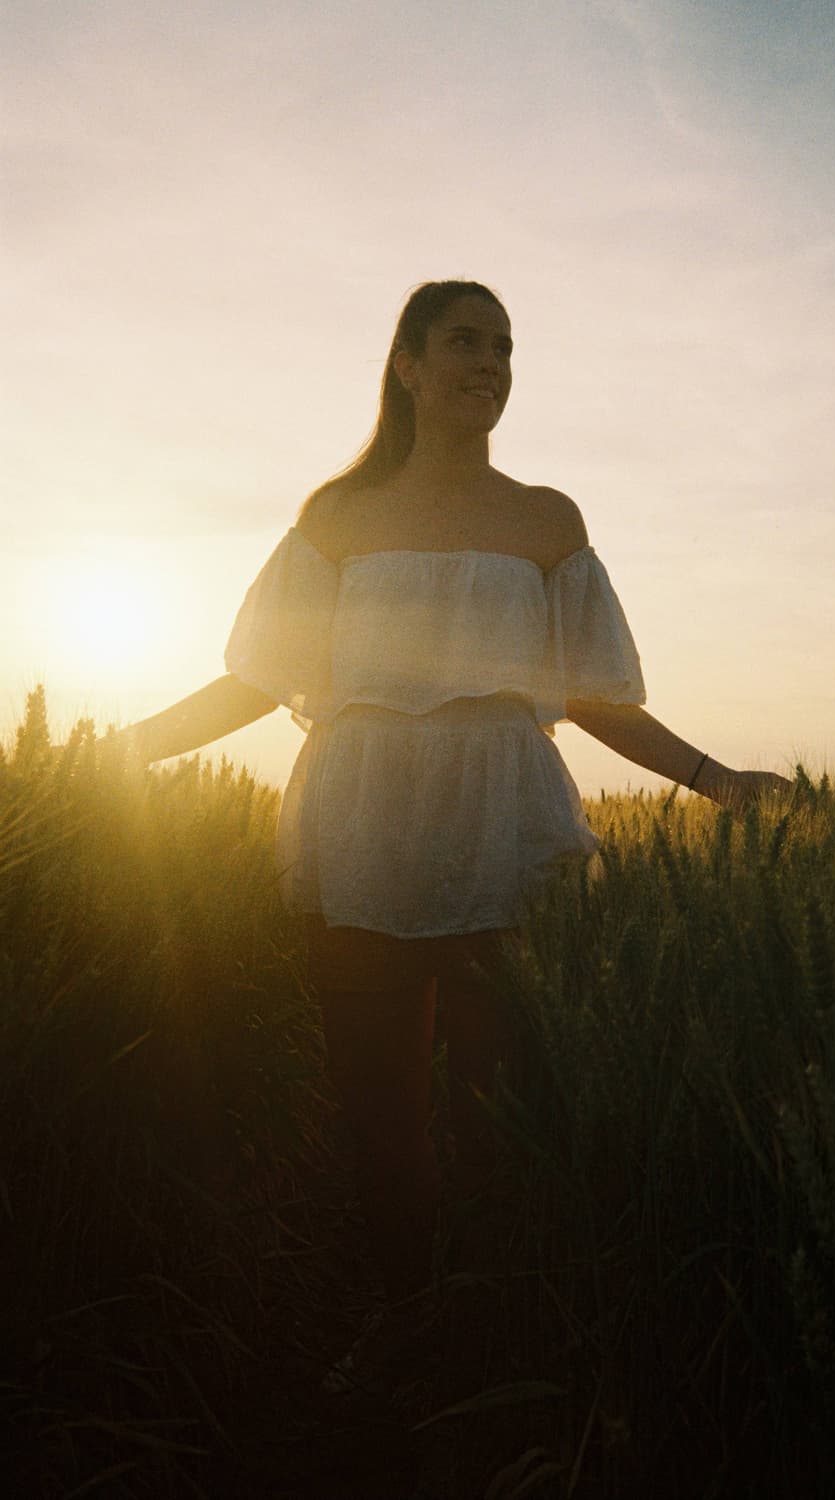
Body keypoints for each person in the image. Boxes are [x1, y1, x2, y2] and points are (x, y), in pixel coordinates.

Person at [119, 278, 790, 1332]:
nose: (490, 365)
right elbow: (259, 679)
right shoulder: (336, 517)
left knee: (497, 1108)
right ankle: (405, 1322)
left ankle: (487, 1336)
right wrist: (120, 749)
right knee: (378, 1110)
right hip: (362, 826)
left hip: (504, 824)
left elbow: (591, 695)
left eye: (505, 348)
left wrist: (716, 780)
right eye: (466, 343)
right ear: (408, 365)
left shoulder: (546, 518)